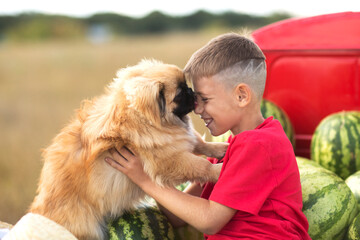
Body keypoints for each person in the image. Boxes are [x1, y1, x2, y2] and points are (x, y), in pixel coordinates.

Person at [105, 33, 311, 239]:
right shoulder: (230, 151)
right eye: (196, 99)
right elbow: (178, 218)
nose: (197, 108)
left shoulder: (259, 145)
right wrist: (152, 166)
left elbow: (209, 221)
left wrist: (145, 182)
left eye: (205, 99)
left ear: (241, 96)